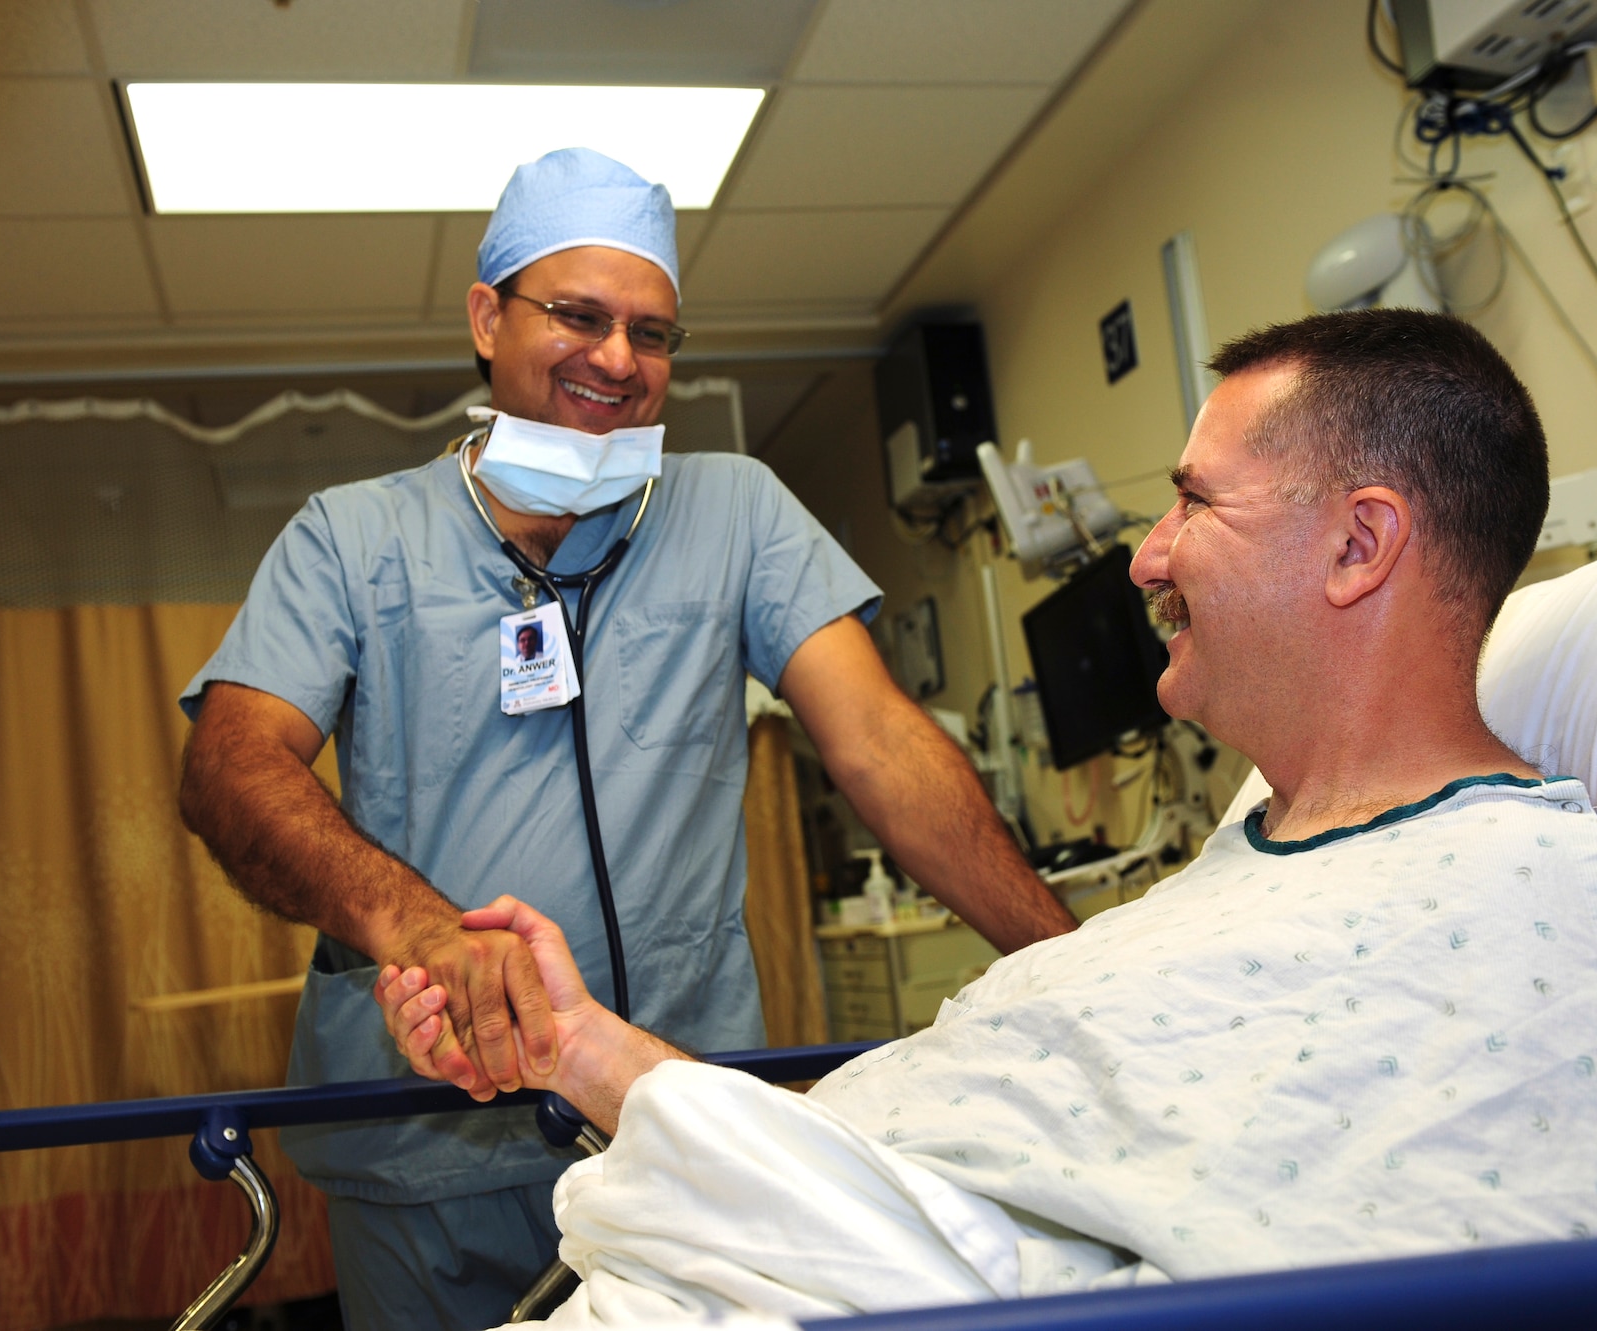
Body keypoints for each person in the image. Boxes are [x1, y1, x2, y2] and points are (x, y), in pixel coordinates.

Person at [376, 309, 1597, 1323]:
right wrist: (583, 1049)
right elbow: (922, 1161)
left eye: (1193, 499)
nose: (1143, 552)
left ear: (1360, 545)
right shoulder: (1223, 881)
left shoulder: (1546, 900)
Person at [176, 147, 1077, 1330]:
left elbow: (880, 749)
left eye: (653, 333)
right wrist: (426, 930)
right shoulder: (353, 538)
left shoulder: (734, 511)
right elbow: (232, 766)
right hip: (426, 1140)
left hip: (676, 1115)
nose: (618, 358)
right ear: (486, 318)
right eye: (579, 315)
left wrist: (1069, 967)